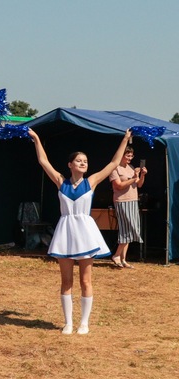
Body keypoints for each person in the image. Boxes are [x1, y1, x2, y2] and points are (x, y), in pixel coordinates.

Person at [29, 128, 132, 336]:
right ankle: (68, 322)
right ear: (70, 164)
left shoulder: (91, 181)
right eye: (79, 160)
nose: (83, 163)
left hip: (85, 233)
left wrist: (125, 139)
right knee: (66, 281)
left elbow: (113, 163)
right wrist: (37, 139)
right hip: (66, 233)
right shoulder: (60, 181)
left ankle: (84, 323)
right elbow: (43, 161)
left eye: (85, 161)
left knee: (86, 280)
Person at [109, 146, 147, 268]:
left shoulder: (130, 167)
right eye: (127, 155)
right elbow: (118, 186)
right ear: (122, 155)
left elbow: (139, 184)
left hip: (133, 200)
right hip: (122, 201)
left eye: (131, 156)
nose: (130, 158)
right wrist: (133, 178)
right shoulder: (115, 168)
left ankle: (123, 259)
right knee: (127, 228)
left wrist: (142, 175)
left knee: (130, 230)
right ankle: (116, 255)